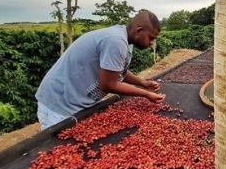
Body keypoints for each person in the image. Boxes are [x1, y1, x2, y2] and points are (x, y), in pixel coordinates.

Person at [36, 10, 165, 130]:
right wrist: (146, 94)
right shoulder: (116, 41)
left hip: (76, 103)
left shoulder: (125, 40)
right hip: (59, 105)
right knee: (59, 150)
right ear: (138, 31)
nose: (152, 43)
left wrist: (142, 83)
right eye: (151, 38)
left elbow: (117, 71)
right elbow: (108, 85)